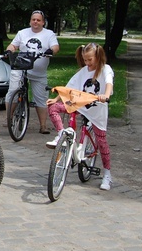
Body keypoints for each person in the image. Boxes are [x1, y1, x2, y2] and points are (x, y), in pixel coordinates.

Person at [46, 42, 115, 190]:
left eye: (90, 60)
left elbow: (109, 83)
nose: (87, 63)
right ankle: (61, 134)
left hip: (97, 111)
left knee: (102, 142)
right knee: (53, 108)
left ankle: (107, 174)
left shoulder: (105, 70)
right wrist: (57, 99)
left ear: (98, 57)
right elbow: (69, 87)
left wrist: (106, 95)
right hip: (80, 106)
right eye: (85, 60)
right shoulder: (83, 71)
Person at [5, 10, 60, 134]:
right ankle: (9, 118)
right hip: (21, 68)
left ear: (43, 22)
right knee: (13, 91)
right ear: (30, 21)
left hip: (38, 72)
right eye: (33, 19)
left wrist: (51, 51)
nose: (35, 22)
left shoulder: (49, 34)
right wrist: (10, 50)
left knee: (41, 97)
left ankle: (43, 125)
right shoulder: (22, 33)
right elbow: (13, 45)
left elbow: (55, 47)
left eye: (38, 20)